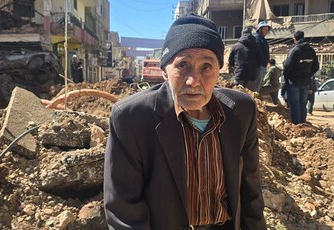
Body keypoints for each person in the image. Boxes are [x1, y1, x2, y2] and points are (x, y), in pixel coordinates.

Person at [103, 13, 267, 230]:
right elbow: (124, 210)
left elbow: (251, 191)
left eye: (206, 67)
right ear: (164, 71)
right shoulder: (132, 118)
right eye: (183, 65)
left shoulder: (241, 111)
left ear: (219, 71)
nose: (193, 80)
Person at [283, 30, 319, 124]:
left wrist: (287, 75)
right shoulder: (311, 51)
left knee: (295, 105)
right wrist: (308, 74)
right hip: (306, 82)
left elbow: (287, 65)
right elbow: (316, 67)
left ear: (294, 39)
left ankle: (297, 126)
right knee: (303, 105)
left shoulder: (295, 50)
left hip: (294, 82)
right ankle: (303, 124)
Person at [228, 27, 261, 92]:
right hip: (251, 76)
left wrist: (236, 68)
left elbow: (231, 61)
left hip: (239, 75)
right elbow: (260, 61)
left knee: (238, 96)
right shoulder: (256, 46)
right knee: (251, 97)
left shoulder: (236, 46)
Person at [254, 21, 271, 92]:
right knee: (256, 85)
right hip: (259, 66)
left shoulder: (262, 39)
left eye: (267, 30)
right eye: (265, 30)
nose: (266, 32)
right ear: (259, 29)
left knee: (259, 84)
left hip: (262, 65)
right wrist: (261, 63)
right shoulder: (257, 39)